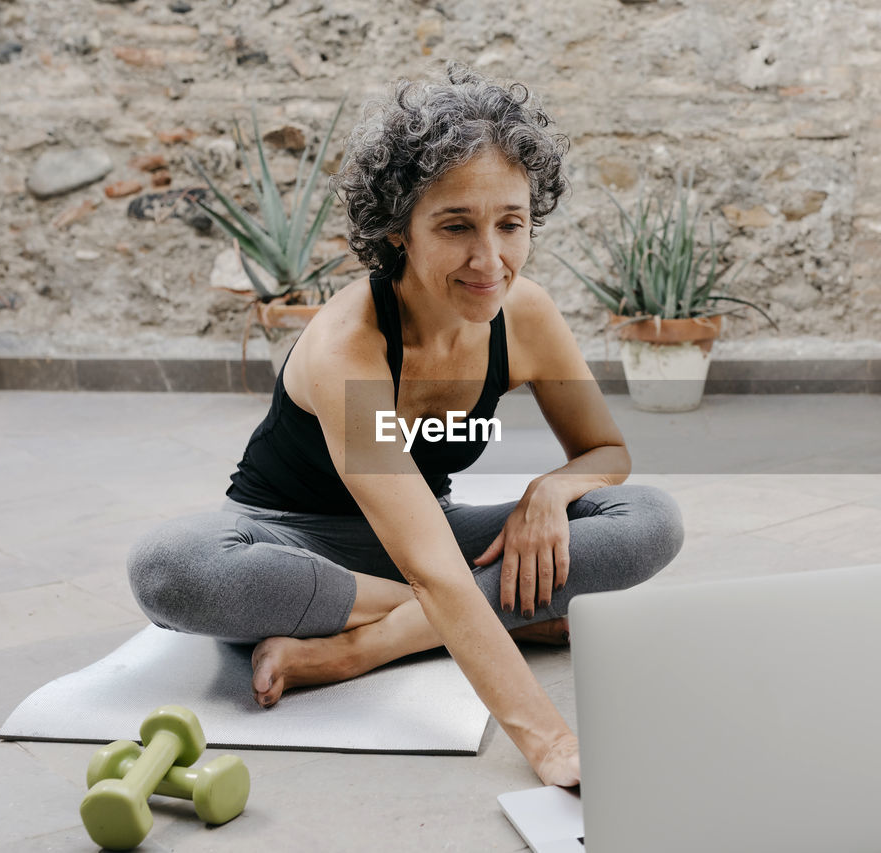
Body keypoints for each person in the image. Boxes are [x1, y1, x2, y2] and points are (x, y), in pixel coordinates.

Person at [126, 63, 685, 787]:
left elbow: (606, 450)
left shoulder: (528, 316)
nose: (491, 260)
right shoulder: (348, 347)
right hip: (292, 539)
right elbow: (431, 567)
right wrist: (550, 742)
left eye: (511, 224)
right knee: (171, 569)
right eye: (456, 226)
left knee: (649, 518)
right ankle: (494, 615)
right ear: (397, 231)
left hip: (430, 532)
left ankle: (368, 643)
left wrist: (552, 490)